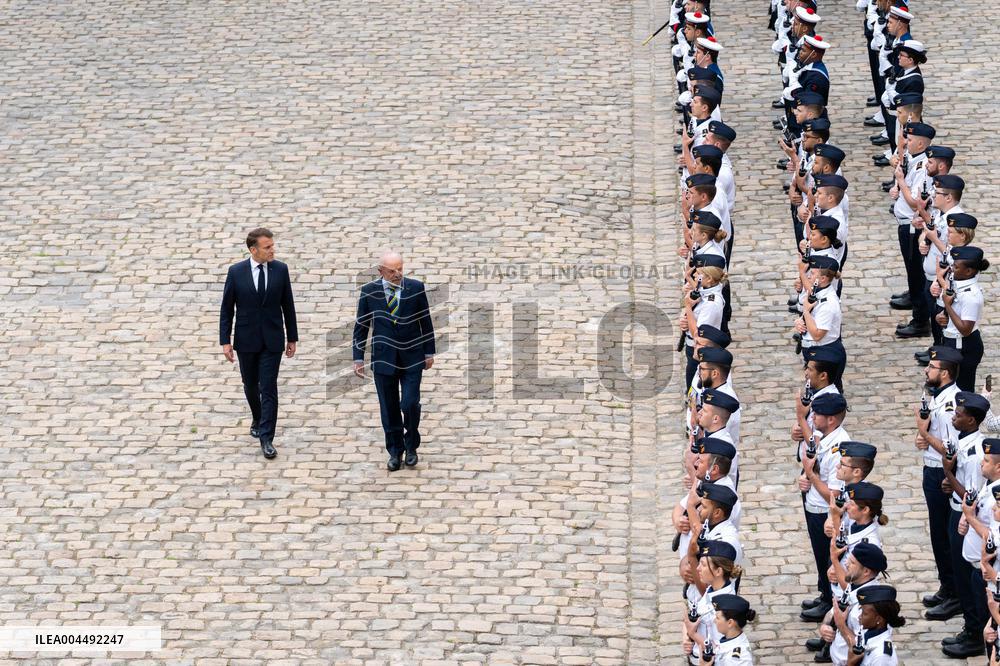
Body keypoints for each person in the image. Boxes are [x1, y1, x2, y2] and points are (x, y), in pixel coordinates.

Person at [219, 227, 298, 459]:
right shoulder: (236, 272)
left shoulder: (281, 270)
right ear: (254, 250)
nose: (272, 250)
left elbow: (288, 305)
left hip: (273, 340)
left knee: (269, 387)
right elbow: (227, 309)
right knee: (250, 384)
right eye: (267, 247)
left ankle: (266, 437)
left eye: (272, 245)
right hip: (246, 339)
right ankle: (257, 415)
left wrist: (292, 336)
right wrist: (225, 341)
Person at [353, 251, 436, 471]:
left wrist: (429, 352)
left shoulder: (415, 288)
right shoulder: (369, 292)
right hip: (384, 358)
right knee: (388, 408)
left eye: (400, 268)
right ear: (381, 271)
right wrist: (358, 357)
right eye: (392, 270)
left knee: (409, 403)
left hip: (412, 357)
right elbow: (361, 327)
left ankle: (411, 445)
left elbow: (425, 321)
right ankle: (395, 451)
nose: (397, 273)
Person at [916, 345, 963, 619]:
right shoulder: (936, 396)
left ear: (944, 373)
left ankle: (955, 592)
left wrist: (924, 433)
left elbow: (949, 449)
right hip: (931, 468)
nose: (927, 369)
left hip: (941, 473)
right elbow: (930, 439)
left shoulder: (948, 405)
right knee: (937, 533)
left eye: (932, 367)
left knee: (946, 535)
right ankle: (947, 585)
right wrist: (922, 437)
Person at [940, 393, 990, 645]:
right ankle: (971, 626)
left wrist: (948, 471)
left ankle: (974, 631)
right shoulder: (963, 440)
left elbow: (970, 495)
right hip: (956, 508)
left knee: (965, 574)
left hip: (965, 515)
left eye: (959, 416)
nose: (954, 417)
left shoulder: (975, 452)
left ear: (971, 420)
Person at [799, 392, 851, 623]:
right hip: (814, 505)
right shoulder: (823, 437)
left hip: (825, 512)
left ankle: (831, 600)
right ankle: (824, 594)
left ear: (831, 419)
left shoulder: (838, 447)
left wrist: (810, 474)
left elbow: (835, 494)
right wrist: (806, 477)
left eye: (817, 414)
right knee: (821, 559)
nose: (813, 417)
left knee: (828, 559)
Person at [954, 438, 1000, 658]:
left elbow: (992, 537)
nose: (982, 463)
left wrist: (971, 518)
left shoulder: (997, 496)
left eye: (987, 460)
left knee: (989, 627)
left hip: (988, 572)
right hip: (976, 566)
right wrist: (967, 518)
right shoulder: (989, 484)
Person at [814, 542, 888, 664]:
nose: (847, 564)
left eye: (852, 563)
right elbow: (835, 610)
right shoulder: (853, 586)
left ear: (866, 572)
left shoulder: (868, 608)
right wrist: (825, 626)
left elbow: (862, 649)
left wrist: (841, 626)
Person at [939, 246, 989, 391]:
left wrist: (947, 305)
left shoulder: (971, 296)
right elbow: (956, 311)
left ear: (969, 271)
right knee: (948, 387)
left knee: (962, 391)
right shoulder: (958, 282)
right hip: (952, 340)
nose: (952, 268)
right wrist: (943, 317)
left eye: (956, 266)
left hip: (963, 346)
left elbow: (965, 329)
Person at [839, 585, 904, 664]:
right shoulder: (867, 635)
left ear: (879, 619)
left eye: (864, 613)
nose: (859, 616)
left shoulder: (881, 656)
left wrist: (850, 663)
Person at [706, 593, 756, 664]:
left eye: (717, 618)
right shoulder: (730, 641)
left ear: (730, 623)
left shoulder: (735, 659)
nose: (714, 621)